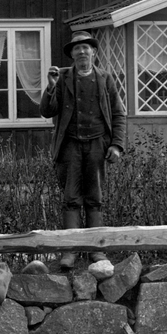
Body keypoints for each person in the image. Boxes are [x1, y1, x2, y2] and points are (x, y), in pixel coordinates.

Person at [39, 30, 127, 269]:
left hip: (98, 144)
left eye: (85, 48)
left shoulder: (105, 78)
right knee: (70, 198)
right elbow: (48, 111)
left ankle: (96, 250)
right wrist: (50, 86)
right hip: (70, 145)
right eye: (77, 49)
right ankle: (70, 251)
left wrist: (117, 145)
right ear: (72, 55)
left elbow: (119, 113)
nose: (81, 52)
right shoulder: (62, 77)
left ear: (94, 52)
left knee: (95, 198)